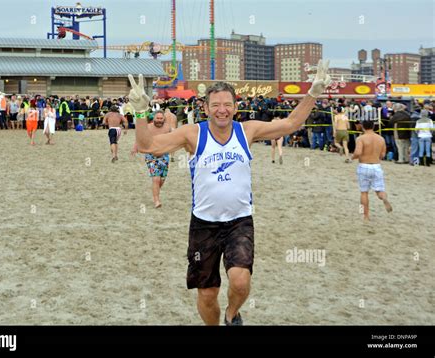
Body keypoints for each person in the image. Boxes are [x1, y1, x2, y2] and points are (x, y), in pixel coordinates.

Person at [127, 59, 332, 325]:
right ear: (205, 107)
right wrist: (140, 112)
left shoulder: (247, 130)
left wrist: (313, 93)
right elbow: (148, 147)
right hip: (203, 223)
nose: (221, 110)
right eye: (215, 105)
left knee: (240, 281)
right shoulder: (192, 134)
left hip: (240, 221)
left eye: (227, 105)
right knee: (207, 292)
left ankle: (232, 314)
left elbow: (291, 124)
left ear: (235, 107)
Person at [351, 120, 393, 221]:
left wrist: (352, 158)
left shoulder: (361, 138)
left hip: (364, 166)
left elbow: (358, 152)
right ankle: (384, 198)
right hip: (376, 166)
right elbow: (382, 155)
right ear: (373, 127)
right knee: (379, 191)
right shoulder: (381, 139)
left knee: (364, 192)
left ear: (363, 127)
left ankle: (365, 216)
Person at [131, 110, 171, 208]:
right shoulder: (148, 127)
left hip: (164, 155)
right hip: (151, 155)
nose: (159, 120)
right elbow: (139, 137)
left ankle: (155, 191)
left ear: (164, 119)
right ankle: (156, 200)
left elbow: (174, 137)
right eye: (157, 118)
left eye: (161, 118)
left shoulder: (167, 127)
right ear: (153, 118)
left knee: (162, 179)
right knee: (156, 179)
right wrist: (135, 147)